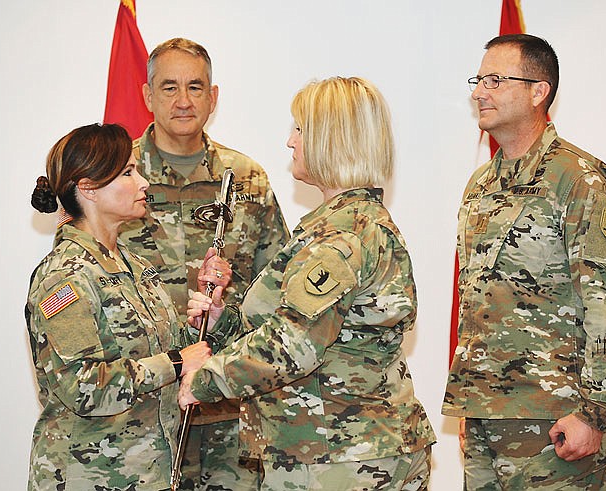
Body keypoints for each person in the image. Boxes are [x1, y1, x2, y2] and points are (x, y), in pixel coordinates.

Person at [179, 76, 436, 491]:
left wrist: (205, 378)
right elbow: (295, 327)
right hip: (339, 450)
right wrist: (223, 319)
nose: (289, 142)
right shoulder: (338, 225)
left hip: (341, 458)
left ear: (329, 139)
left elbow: (294, 345)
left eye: (299, 128)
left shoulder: (340, 236)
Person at [442, 34, 606, 490]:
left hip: (555, 421)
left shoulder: (579, 179)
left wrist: (595, 412)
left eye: (494, 80)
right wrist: (477, 408)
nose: (478, 93)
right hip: (486, 416)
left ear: (538, 91)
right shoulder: (480, 184)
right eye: (478, 80)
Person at [117, 38, 290, 490]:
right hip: (140, 411)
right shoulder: (116, 176)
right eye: (168, 87)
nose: (182, 100)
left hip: (228, 406)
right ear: (146, 95)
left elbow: (279, 290)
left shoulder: (247, 177)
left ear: (213, 98)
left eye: (196, 87)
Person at [26, 123, 211, 490]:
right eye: (128, 172)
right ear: (88, 189)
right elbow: (82, 387)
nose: (143, 182)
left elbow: (164, 350)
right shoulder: (65, 277)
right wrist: (176, 362)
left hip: (151, 473)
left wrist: (205, 319)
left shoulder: (135, 267)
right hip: (90, 477)